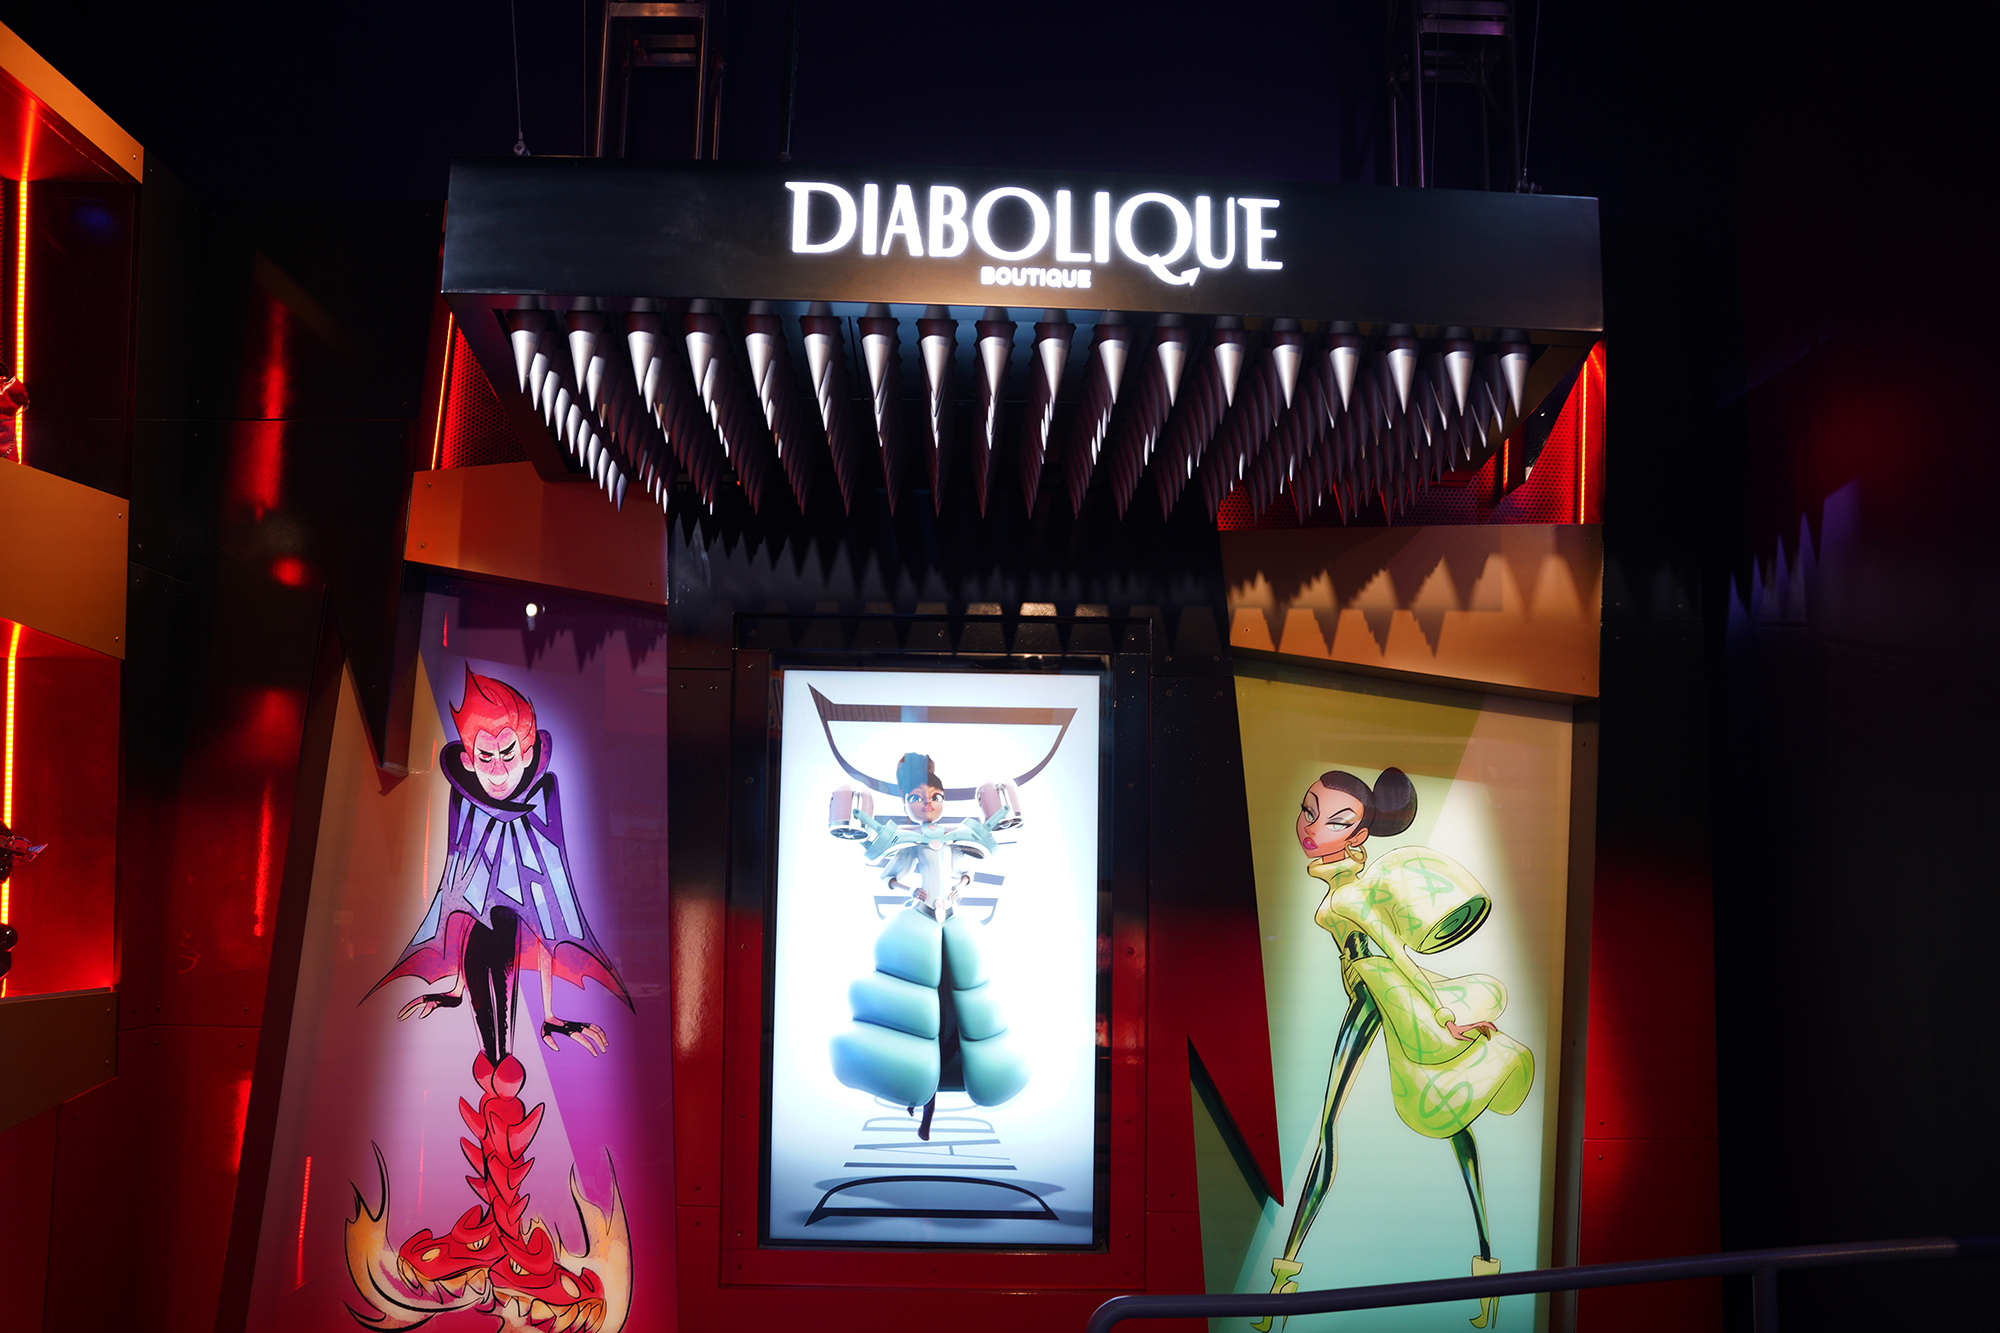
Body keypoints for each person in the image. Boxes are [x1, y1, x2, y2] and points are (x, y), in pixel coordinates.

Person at [1254, 768, 1534, 1332]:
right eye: (1308, 810)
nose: (1311, 827)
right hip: (1380, 992)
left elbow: (1396, 956)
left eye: (1336, 821)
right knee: (1453, 1123)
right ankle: (1488, 1277)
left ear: (1359, 835)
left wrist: (1446, 1015)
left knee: (1332, 1128)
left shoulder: (1351, 896)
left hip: (1377, 993)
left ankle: (1282, 1290)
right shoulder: (1347, 888)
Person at [826, 752, 1029, 1139]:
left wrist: (959, 888)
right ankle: (917, 1094)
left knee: (959, 1004)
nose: (928, 804)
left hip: (950, 922)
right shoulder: (908, 842)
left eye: (935, 797)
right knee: (917, 1013)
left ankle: (943, 1086)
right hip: (920, 925)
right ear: (906, 803)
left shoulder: (957, 839)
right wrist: (910, 888)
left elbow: (966, 870)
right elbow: (892, 876)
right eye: (917, 798)